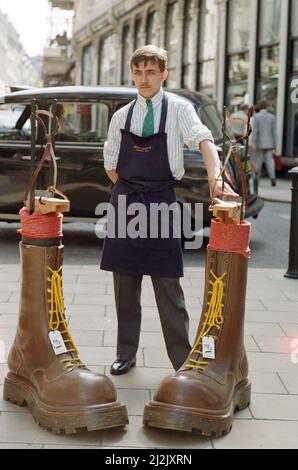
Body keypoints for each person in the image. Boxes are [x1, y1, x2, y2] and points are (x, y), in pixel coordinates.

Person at [100, 45, 238, 375]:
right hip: (125, 203)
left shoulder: (179, 109)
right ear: (132, 74)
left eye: (151, 72)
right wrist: (133, 189)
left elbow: (204, 140)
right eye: (138, 72)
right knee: (125, 286)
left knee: (168, 286)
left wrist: (215, 178)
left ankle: (182, 361)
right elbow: (110, 165)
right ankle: (125, 353)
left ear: (164, 74)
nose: (144, 79)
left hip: (161, 201)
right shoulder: (121, 116)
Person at [251, 99, 277, 186]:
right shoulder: (272, 117)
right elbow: (274, 132)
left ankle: (256, 179)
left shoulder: (256, 117)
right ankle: (272, 177)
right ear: (267, 106)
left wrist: (253, 142)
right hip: (270, 143)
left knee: (258, 162)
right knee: (270, 161)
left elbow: (255, 130)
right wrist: (275, 145)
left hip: (259, 143)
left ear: (259, 106)